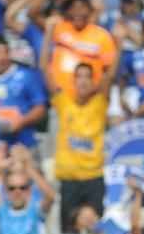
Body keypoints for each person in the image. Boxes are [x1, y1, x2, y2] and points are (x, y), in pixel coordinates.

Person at [48, 53, 112, 220]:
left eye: (88, 77)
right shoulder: (63, 103)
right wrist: (49, 32)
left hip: (93, 177)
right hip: (68, 179)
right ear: (73, 81)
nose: (83, 81)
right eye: (79, 77)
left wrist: (118, 44)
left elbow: (110, 75)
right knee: (69, 228)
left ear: (93, 82)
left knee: (96, 227)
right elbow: (43, 68)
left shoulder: (99, 104)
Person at [0, 36, 48, 152]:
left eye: (5, 52)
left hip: (25, 143)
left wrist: (21, 122)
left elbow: (41, 108)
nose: (1, 57)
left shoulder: (26, 76)